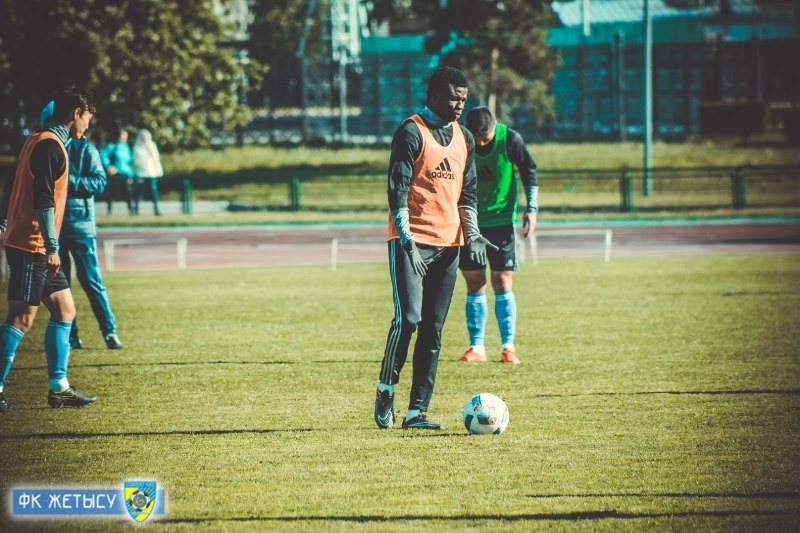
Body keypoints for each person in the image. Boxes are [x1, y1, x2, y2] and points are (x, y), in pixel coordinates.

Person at [373, 66, 497, 430]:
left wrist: (472, 233)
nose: (460, 105)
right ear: (435, 96)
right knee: (408, 319)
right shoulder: (411, 131)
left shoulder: (465, 137)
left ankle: (417, 413)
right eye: (454, 98)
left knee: (433, 329)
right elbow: (397, 188)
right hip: (410, 242)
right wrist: (407, 239)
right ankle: (386, 390)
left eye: (464, 99)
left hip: (448, 245)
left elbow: (468, 193)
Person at [0, 87, 99, 412]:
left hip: (36, 244)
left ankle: (59, 388)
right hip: (33, 245)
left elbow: (13, 186)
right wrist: (52, 246)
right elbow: (42, 199)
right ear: (75, 113)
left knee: (65, 311)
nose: (87, 125)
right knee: (21, 318)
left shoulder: (36, 139)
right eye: (87, 118)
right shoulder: (50, 146)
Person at [39, 103, 124, 351]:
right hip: (54, 226)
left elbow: (99, 182)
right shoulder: (47, 147)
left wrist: (66, 179)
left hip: (80, 225)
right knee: (61, 285)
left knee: (91, 280)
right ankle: (71, 335)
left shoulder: (85, 148)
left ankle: (109, 331)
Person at [458, 107, 539, 365]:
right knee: (475, 281)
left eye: (486, 138)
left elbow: (529, 170)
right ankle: (476, 347)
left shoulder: (510, 139)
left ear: (494, 128)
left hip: (501, 222)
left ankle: (508, 347)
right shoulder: (460, 139)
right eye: (477, 139)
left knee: (502, 280)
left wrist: (532, 209)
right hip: (470, 222)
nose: (481, 144)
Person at [99, 128, 135, 215]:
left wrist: (131, 174)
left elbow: (129, 161)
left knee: (128, 191)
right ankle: (109, 209)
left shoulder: (127, 147)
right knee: (113, 191)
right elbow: (103, 156)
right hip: (115, 173)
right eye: (123, 135)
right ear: (118, 136)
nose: (125, 137)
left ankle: (131, 210)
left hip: (125, 173)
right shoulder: (112, 146)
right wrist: (108, 166)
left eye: (126, 136)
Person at [132, 128, 163, 216]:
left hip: (151, 173)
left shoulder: (152, 145)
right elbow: (135, 160)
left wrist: (158, 170)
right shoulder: (137, 147)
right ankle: (136, 209)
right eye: (143, 137)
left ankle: (156, 208)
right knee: (138, 191)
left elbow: (156, 158)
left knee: (153, 191)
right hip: (141, 173)